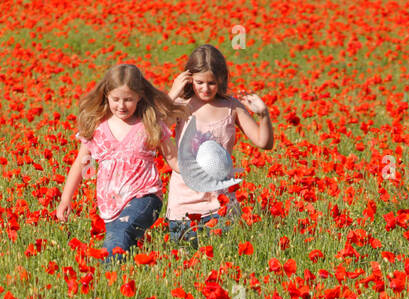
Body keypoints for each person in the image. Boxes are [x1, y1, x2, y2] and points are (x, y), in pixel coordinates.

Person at [56, 64, 182, 257]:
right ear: (106, 94)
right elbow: (82, 163)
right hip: (110, 205)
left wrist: (200, 172)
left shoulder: (150, 124)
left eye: (128, 100)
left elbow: (174, 161)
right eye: (116, 99)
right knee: (123, 244)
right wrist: (66, 199)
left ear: (139, 96)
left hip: (145, 196)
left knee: (119, 237)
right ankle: (121, 281)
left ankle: (104, 275)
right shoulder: (97, 126)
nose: (121, 106)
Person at [166, 44, 273, 246]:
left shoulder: (232, 107)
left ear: (222, 79)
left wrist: (263, 114)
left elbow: (263, 142)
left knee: (222, 263)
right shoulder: (181, 105)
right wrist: (172, 94)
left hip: (220, 203)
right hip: (183, 203)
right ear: (189, 79)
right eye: (199, 82)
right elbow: (154, 127)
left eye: (211, 83)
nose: (205, 88)